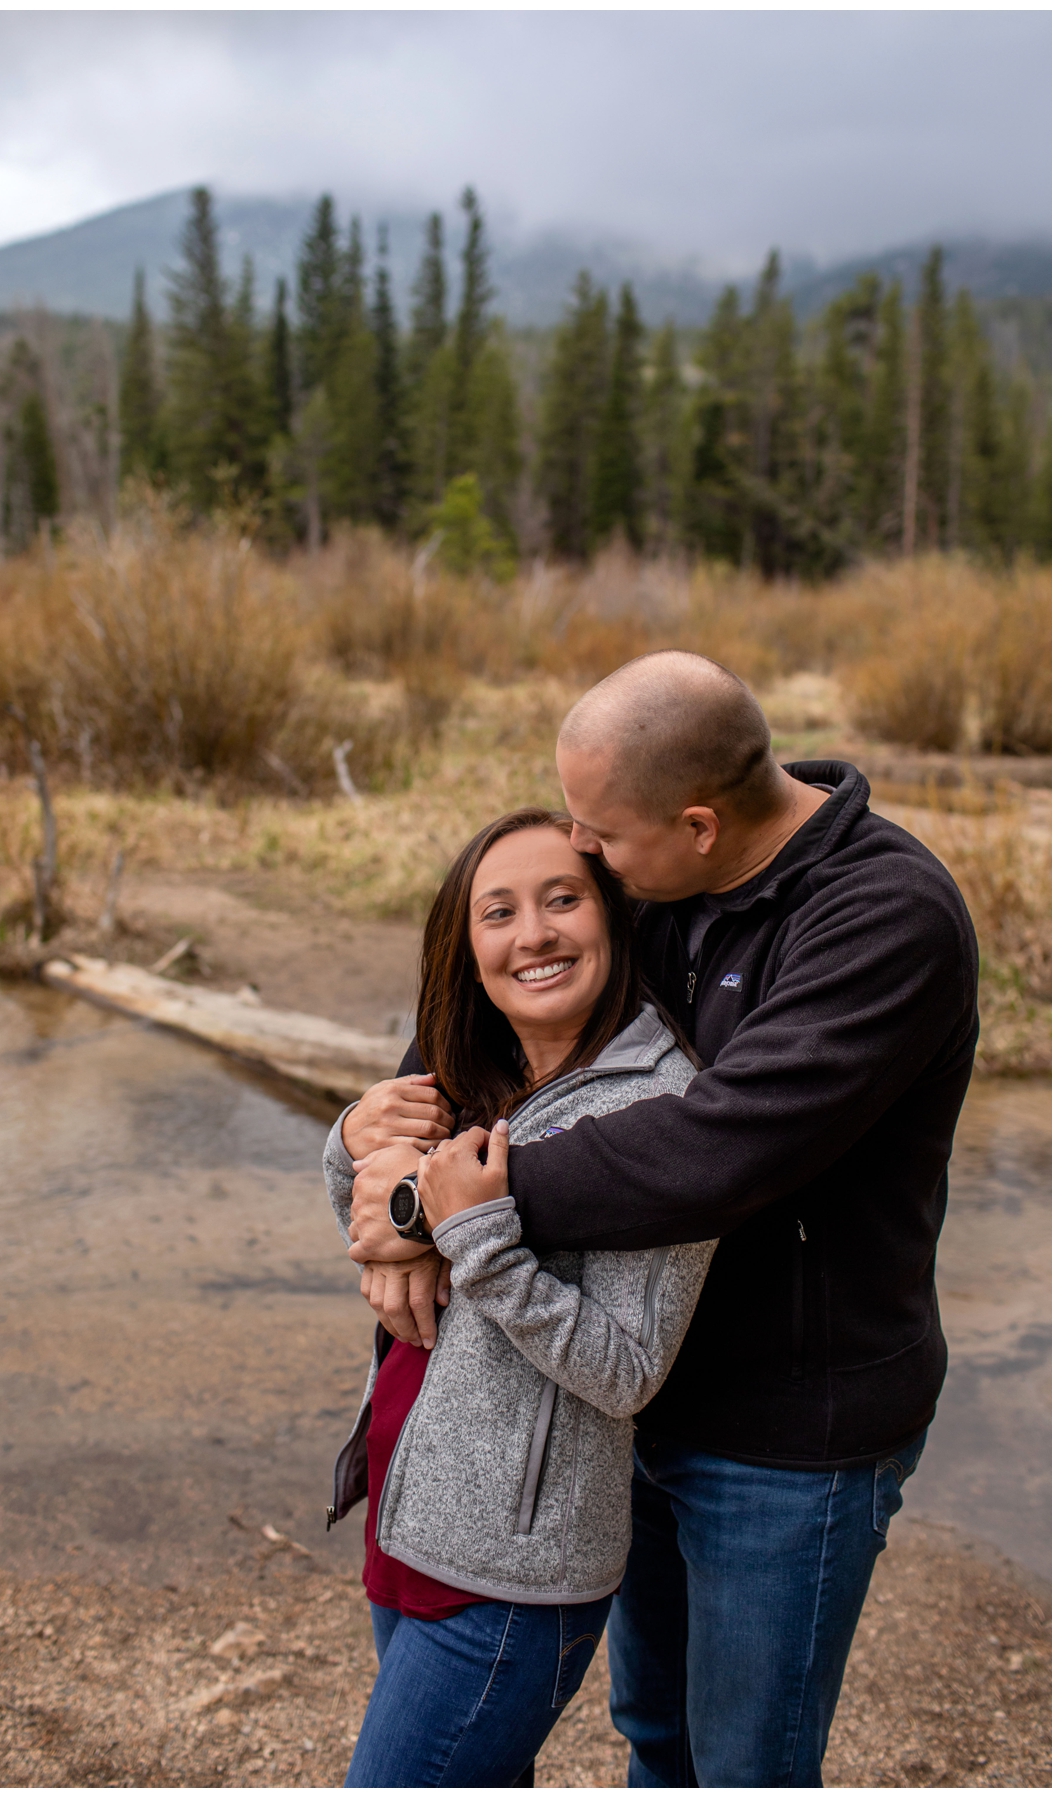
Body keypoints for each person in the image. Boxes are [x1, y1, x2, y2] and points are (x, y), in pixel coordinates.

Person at [342, 651, 978, 1786]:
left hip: (790, 1435)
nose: (584, 853)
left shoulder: (886, 918)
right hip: (634, 1410)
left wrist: (438, 1205)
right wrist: (385, 1143)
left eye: (602, 838)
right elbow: (492, 1012)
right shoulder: (663, 864)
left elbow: (715, 1147)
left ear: (696, 825)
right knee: (660, 1738)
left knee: (743, 1767)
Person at [325, 808, 713, 1786]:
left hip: (513, 1569)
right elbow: (372, 1231)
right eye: (498, 911)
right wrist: (355, 1140)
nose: (531, 933)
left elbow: (629, 1371)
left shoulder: (661, 1107)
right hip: (410, 1504)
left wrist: (477, 1243)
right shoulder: (481, 1068)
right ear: (468, 944)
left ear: (615, 920)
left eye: (563, 899)